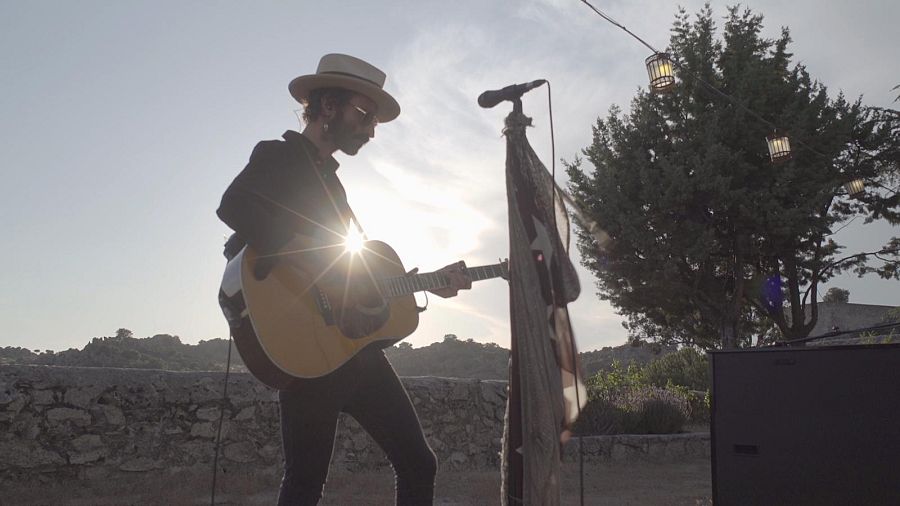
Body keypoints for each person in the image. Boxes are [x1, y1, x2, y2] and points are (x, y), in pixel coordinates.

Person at [216, 54, 471, 505]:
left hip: (353, 350)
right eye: (364, 114)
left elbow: (354, 276)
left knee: (418, 462)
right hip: (305, 347)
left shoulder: (334, 187)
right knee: (305, 483)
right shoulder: (277, 156)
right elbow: (234, 206)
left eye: (375, 120)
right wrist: (305, 253)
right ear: (328, 107)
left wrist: (427, 283)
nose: (371, 129)